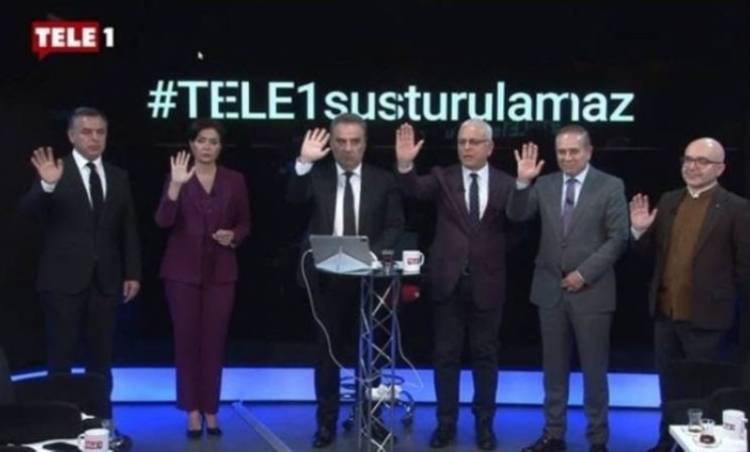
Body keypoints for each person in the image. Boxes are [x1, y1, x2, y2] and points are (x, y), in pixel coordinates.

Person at [19, 107, 141, 449]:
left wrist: (133, 272)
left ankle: (102, 427)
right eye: (86, 132)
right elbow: (27, 215)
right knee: (60, 359)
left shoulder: (118, 176)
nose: (94, 138)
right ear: (71, 136)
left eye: (100, 132)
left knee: (101, 360)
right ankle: (58, 429)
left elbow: (128, 227)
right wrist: (47, 184)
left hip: (106, 282)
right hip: (61, 282)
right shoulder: (55, 170)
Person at [508, 125, 629, 452]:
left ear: (588, 151)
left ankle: (598, 439)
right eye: (561, 152)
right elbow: (517, 215)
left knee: (594, 371)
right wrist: (522, 183)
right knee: (553, 370)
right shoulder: (545, 184)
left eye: (574, 151)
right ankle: (554, 434)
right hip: (549, 290)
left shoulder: (610, 185)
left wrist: (583, 273)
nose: (567, 157)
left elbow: (618, 237)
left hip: (592, 291)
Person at [394, 120, 514, 450]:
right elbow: (413, 189)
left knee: (485, 358)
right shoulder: (443, 178)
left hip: (488, 284)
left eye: (474, 142)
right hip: (447, 284)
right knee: (445, 357)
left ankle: (485, 426)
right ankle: (445, 424)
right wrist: (405, 165)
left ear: (489, 147)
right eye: (462, 142)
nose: (466, 147)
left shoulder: (506, 183)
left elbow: (520, 222)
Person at [286, 113, 404, 448]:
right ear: (332, 143)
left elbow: (395, 225)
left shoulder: (383, 180)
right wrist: (303, 163)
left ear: (365, 144)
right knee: (326, 355)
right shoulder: (317, 175)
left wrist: (369, 254)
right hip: (324, 281)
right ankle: (326, 424)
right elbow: (293, 199)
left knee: (370, 355)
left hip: (368, 281)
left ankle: (372, 418)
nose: (348, 148)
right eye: (341, 141)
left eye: (355, 141)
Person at [629, 137, 750, 452]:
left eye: (702, 161)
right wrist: (639, 230)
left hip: (708, 319)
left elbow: (744, 268)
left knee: (703, 387)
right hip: (666, 315)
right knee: (669, 385)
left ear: (720, 168)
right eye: (688, 159)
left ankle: (702, 443)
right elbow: (648, 257)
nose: (692, 166)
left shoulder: (736, 208)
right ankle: (665, 440)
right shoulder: (670, 201)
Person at [155, 119, 251, 438]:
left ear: (220, 147)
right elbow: (163, 221)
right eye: (201, 140)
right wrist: (175, 188)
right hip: (181, 274)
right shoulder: (177, 176)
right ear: (191, 144)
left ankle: (211, 409)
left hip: (221, 272)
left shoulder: (234, 180)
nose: (207, 147)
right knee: (186, 342)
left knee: (214, 343)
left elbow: (245, 222)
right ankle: (191, 411)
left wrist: (233, 235)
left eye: (213, 141)